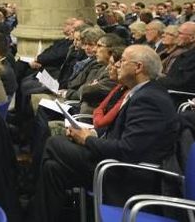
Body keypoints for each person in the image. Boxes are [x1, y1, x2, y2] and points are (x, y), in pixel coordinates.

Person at [29, 45, 179, 222]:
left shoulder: (149, 99)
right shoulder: (141, 92)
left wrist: (88, 139)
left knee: (55, 143)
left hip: (125, 172)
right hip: (112, 160)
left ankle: (29, 193)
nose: (117, 65)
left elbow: (128, 150)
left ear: (138, 67)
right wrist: (91, 134)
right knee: (52, 168)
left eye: (122, 61)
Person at [158, 22, 195, 96]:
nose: (177, 36)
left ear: (192, 38)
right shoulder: (188, 52)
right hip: (168, 91)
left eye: (180, 33)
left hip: (177, 97)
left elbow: (181, 84)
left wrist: (156, 79)